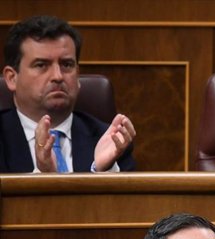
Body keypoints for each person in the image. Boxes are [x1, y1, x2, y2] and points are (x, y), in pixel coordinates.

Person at [0, 15, 135, 173]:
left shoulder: (111, 140)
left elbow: (127, 198)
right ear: (12, 78)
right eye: (41, 65)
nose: (57, 76)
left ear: (77, 74)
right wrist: (42, 176)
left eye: (66, 64)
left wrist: (103, 171)